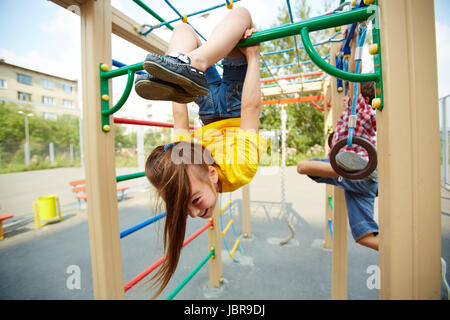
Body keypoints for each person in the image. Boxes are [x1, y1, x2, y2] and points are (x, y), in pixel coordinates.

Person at [134, 7, 268, 298]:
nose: (196, 213)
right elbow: (250, 110)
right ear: (210, 173)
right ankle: (192, 61)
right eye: (189, 207)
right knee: (243, 14)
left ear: (209, 171)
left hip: (207, 107)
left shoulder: (183, 158)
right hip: (236, 100)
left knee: (183, 30)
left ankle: (183, 63)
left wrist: (173, 89)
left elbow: (180, 120)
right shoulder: (239, 170)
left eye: (192, 202)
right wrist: (254, 58)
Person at [297, 81, 378, 251]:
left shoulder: (360, 110)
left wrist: (353, 54)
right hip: (362, 186)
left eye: (349, 95)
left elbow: (353, 77)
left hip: (361, 169)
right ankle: (403, 252)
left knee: (304, 166)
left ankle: (351, 170)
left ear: (363, 98)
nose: (345, 98)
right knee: (364, 237)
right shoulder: (355, 116)